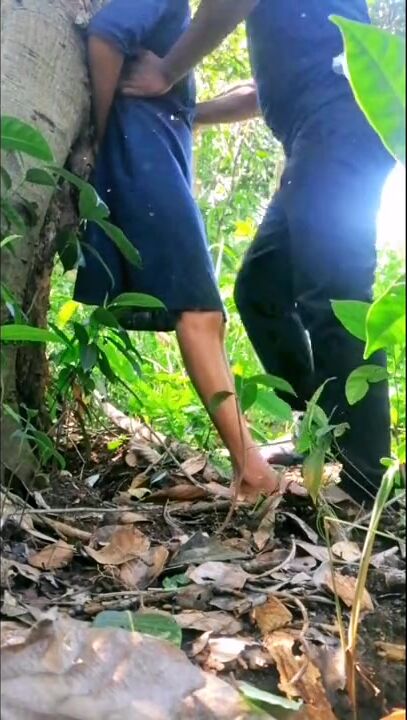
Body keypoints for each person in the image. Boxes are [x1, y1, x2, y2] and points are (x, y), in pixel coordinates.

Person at [119, 0, 395, 505]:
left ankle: (366, 477)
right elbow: (256, 95)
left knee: (336, 295)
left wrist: (166, 70)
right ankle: (319, 429)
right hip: (317, 132)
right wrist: (189, 112)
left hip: (342, 116)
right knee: (261, 289)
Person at [74, 0, 301, 501]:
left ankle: (249, 467)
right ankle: (252, 472)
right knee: (198, 313)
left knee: (207, 317)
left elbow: (247, 95)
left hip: (156, 162)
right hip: (144, 160)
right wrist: (101, 136)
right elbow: (107, 34)